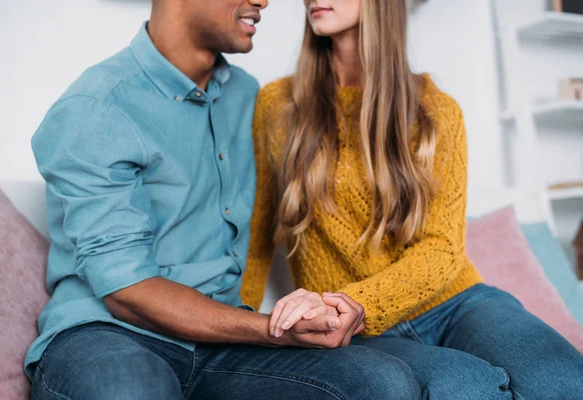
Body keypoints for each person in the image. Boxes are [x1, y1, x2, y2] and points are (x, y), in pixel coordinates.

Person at [26, 0, 423, 399]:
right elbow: (127, 291)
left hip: (221, 345)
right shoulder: (96, 107)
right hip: (109, 335)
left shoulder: (250, 97)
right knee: (136, 390)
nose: (264, 2)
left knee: (380, 382)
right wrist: (273, 329)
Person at [241, 0, 583, 398]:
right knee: (466, 388)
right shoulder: (278, 105)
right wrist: (245, 330)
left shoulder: (436, 111)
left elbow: (442, 248)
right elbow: (258, 233)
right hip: (351, 329)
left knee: (562, 378)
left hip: (455, 302)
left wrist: (363, 299)